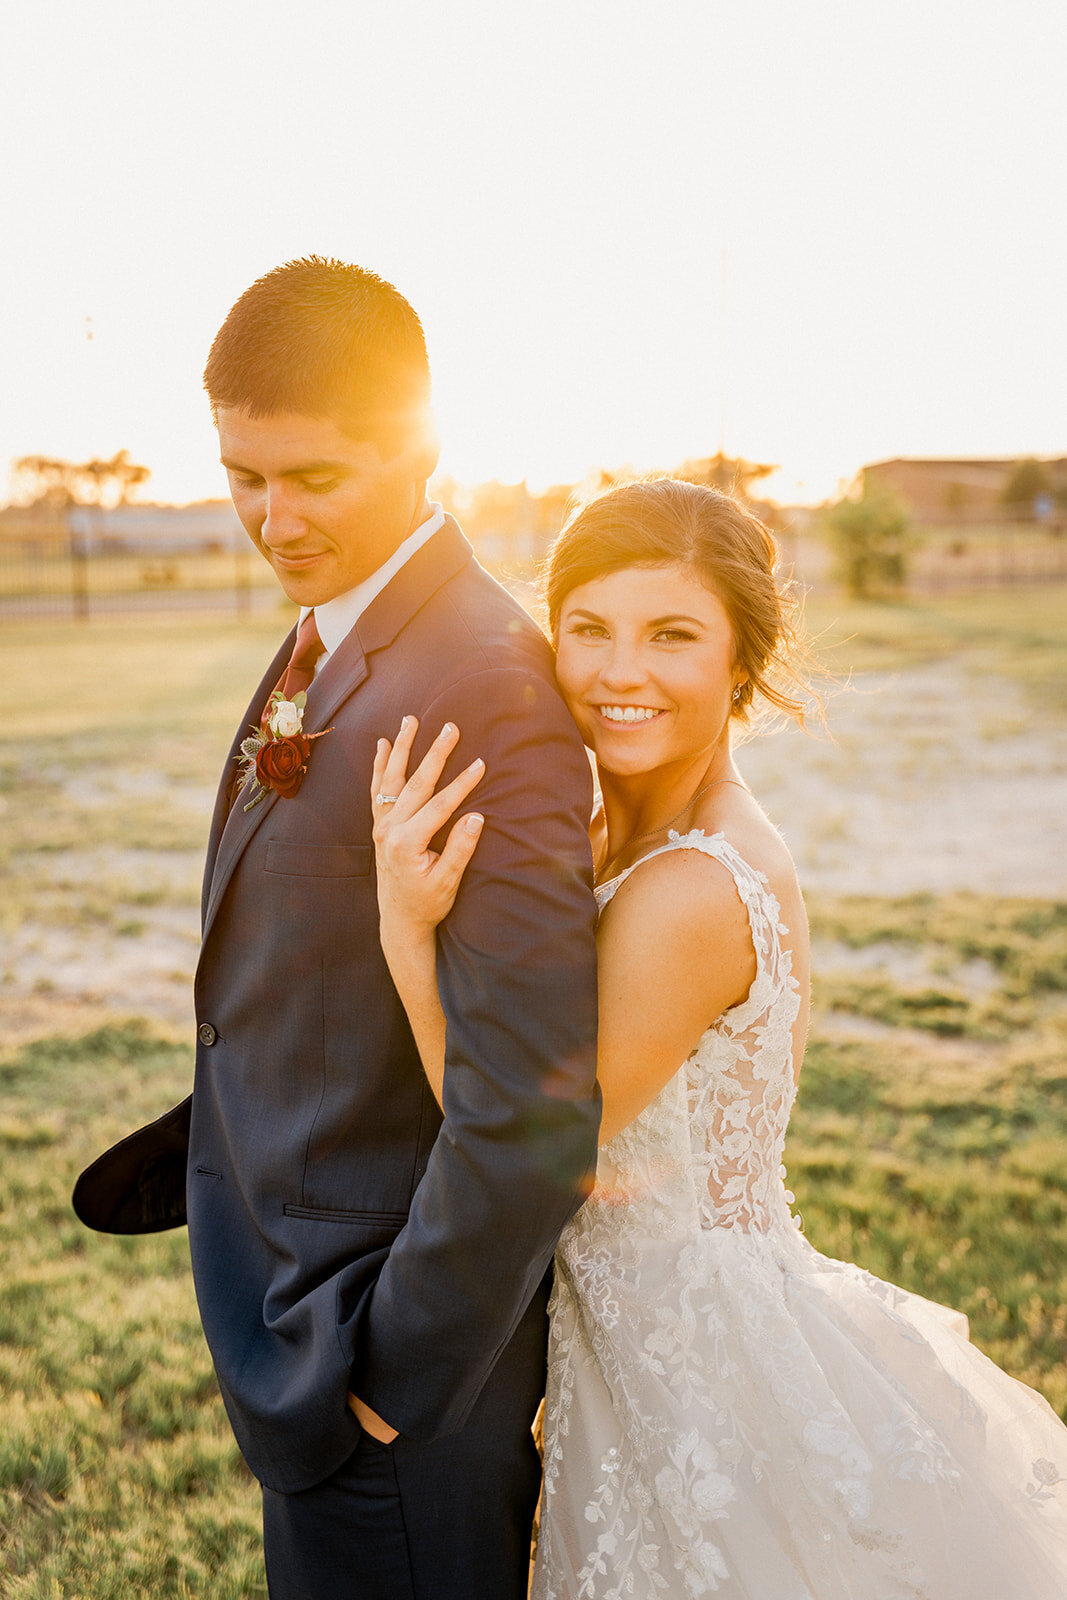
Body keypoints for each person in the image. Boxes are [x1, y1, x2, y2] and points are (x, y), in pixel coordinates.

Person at [371, 476, 1067, 1599]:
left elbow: (537, 1149)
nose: (617, 672)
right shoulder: (614, 836)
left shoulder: (691, 887)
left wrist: (406, 936)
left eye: (671, 635)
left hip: (697, 1376)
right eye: (586, 629)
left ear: (742, 657)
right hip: (630, 1346)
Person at [72, 256, 601, 1600]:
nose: (269, 513)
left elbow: (530, 1104)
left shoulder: (480, 682)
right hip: (303, 1318)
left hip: (386, 1377)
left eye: (312, 477)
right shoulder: (340, 630)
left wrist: (384, 1385)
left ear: (419, 443)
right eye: (244, 474)